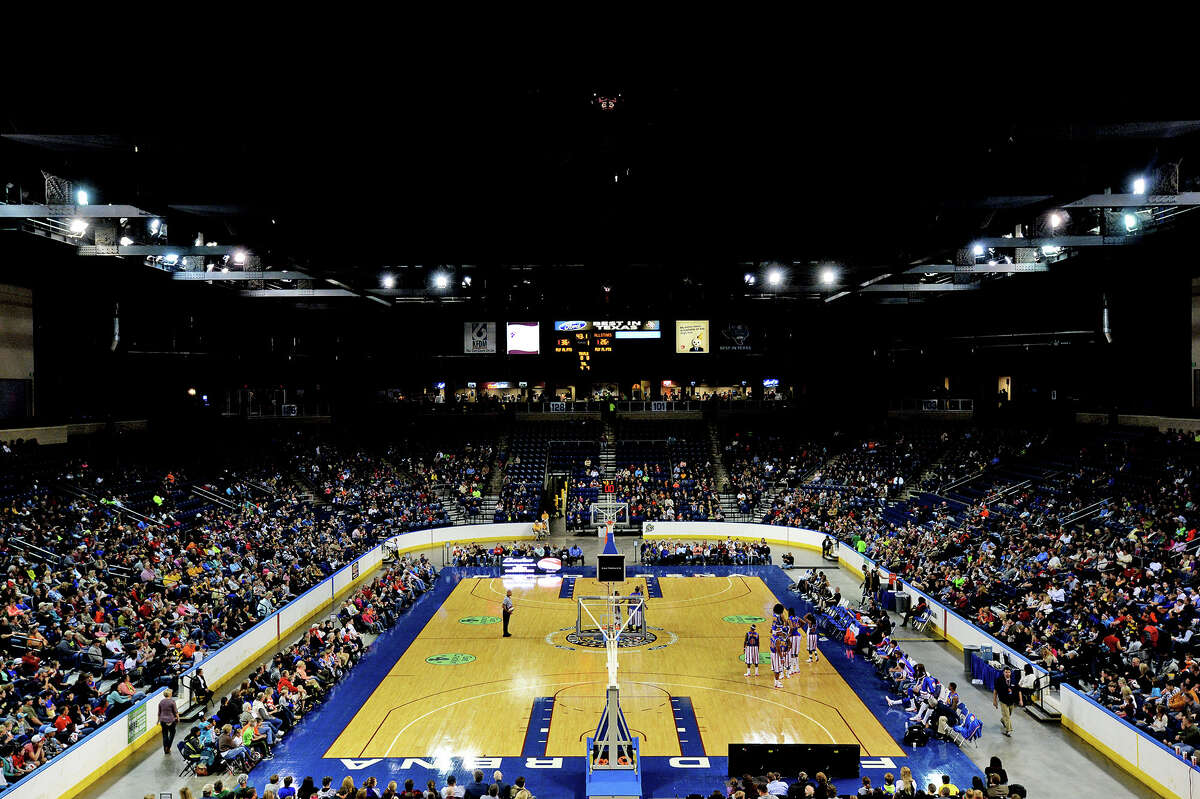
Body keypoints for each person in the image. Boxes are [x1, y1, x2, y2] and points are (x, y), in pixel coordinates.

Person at [993, 667, 1023, 737]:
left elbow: (1019, 691)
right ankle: (1008, 730)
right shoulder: (999, 680)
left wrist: (1020, 700)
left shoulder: (1013, 680)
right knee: (1007, 716)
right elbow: (995, 691)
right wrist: (994, 701)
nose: (1007, 674)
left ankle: (1003, 720)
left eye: (1009, 672)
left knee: (1008, 715)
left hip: (1011, 701)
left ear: (1010, 673)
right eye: (1006, 672)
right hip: (1003, 701)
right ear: (1003, 672)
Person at [158, 688, 179, 755]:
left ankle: (165, 749)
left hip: (163, 721)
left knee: (165, 734)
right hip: (171, 720)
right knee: (172, 733)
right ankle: (168, 747)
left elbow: (159, 712)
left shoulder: (161, 702)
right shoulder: (172, 702)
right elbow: (175, 711)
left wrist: (158, 720)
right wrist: (178, 718)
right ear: (170, 694)